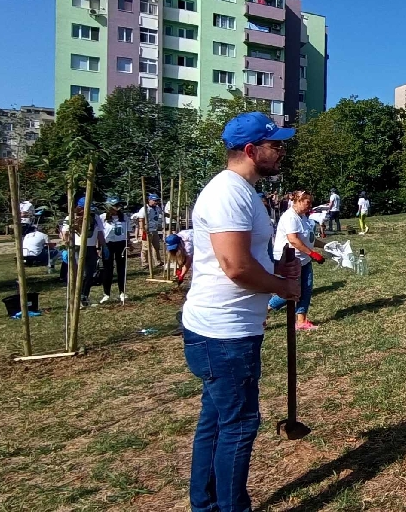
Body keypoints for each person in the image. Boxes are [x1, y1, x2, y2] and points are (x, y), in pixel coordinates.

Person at [181, 111, 300, 512]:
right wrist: (282, 287)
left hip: (228, 329)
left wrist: (277, 268)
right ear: (251, 150)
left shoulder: (244, 192)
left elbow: (247, 260)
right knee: (238, 426)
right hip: (223, 334)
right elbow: (235, 267)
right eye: (275, 145)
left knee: (216, 422)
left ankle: (206, 505)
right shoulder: (227, 193)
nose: (281, 152)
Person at [268, 190, 326, 330]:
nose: (310, 206)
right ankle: (264, 309)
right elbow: (293, 240)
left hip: (304, 259)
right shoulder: (290, 217)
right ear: (298, 201)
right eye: (307, 203)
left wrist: (326, 246)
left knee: (306, 288)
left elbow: (309, 239)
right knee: (291, 291)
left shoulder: (303, 217)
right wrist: (312, 254)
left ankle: (301, 321)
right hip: (290, 260)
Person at [61, 198, 106, 306]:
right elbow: (65, 234)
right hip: (76, 247)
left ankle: (84, 296)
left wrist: (104, 246)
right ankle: (75, 298)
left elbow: (100, 233)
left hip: (90, 248)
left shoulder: (95, 218)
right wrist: (67, 247)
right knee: (77, 274)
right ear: (80, 208)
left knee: (90, 274)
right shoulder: (71, 217)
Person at [99, 198, 129, 304]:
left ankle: (122, 292)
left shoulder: (124, 217)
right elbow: (99, 233)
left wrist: (128, 243)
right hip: (108, 245)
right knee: (108, 269)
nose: (116, 208)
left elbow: (127, 232)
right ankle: (106, 294)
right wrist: (99, 246)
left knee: (121, 268)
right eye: (113, 206)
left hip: (121, 244)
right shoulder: (102, 218)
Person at [137, 193, 164, 269]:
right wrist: (142, 230)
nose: (156, 202)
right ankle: (145, 263)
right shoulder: (144, 209)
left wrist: (173, 215)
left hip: (154, 230)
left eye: (157, 200)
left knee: (156, 247)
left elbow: (163, 213)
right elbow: (141, 220)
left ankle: (158, 262)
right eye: (154, 200)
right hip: (147, 230)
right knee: (145, 248)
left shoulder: (157, 208)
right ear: (149, 200)